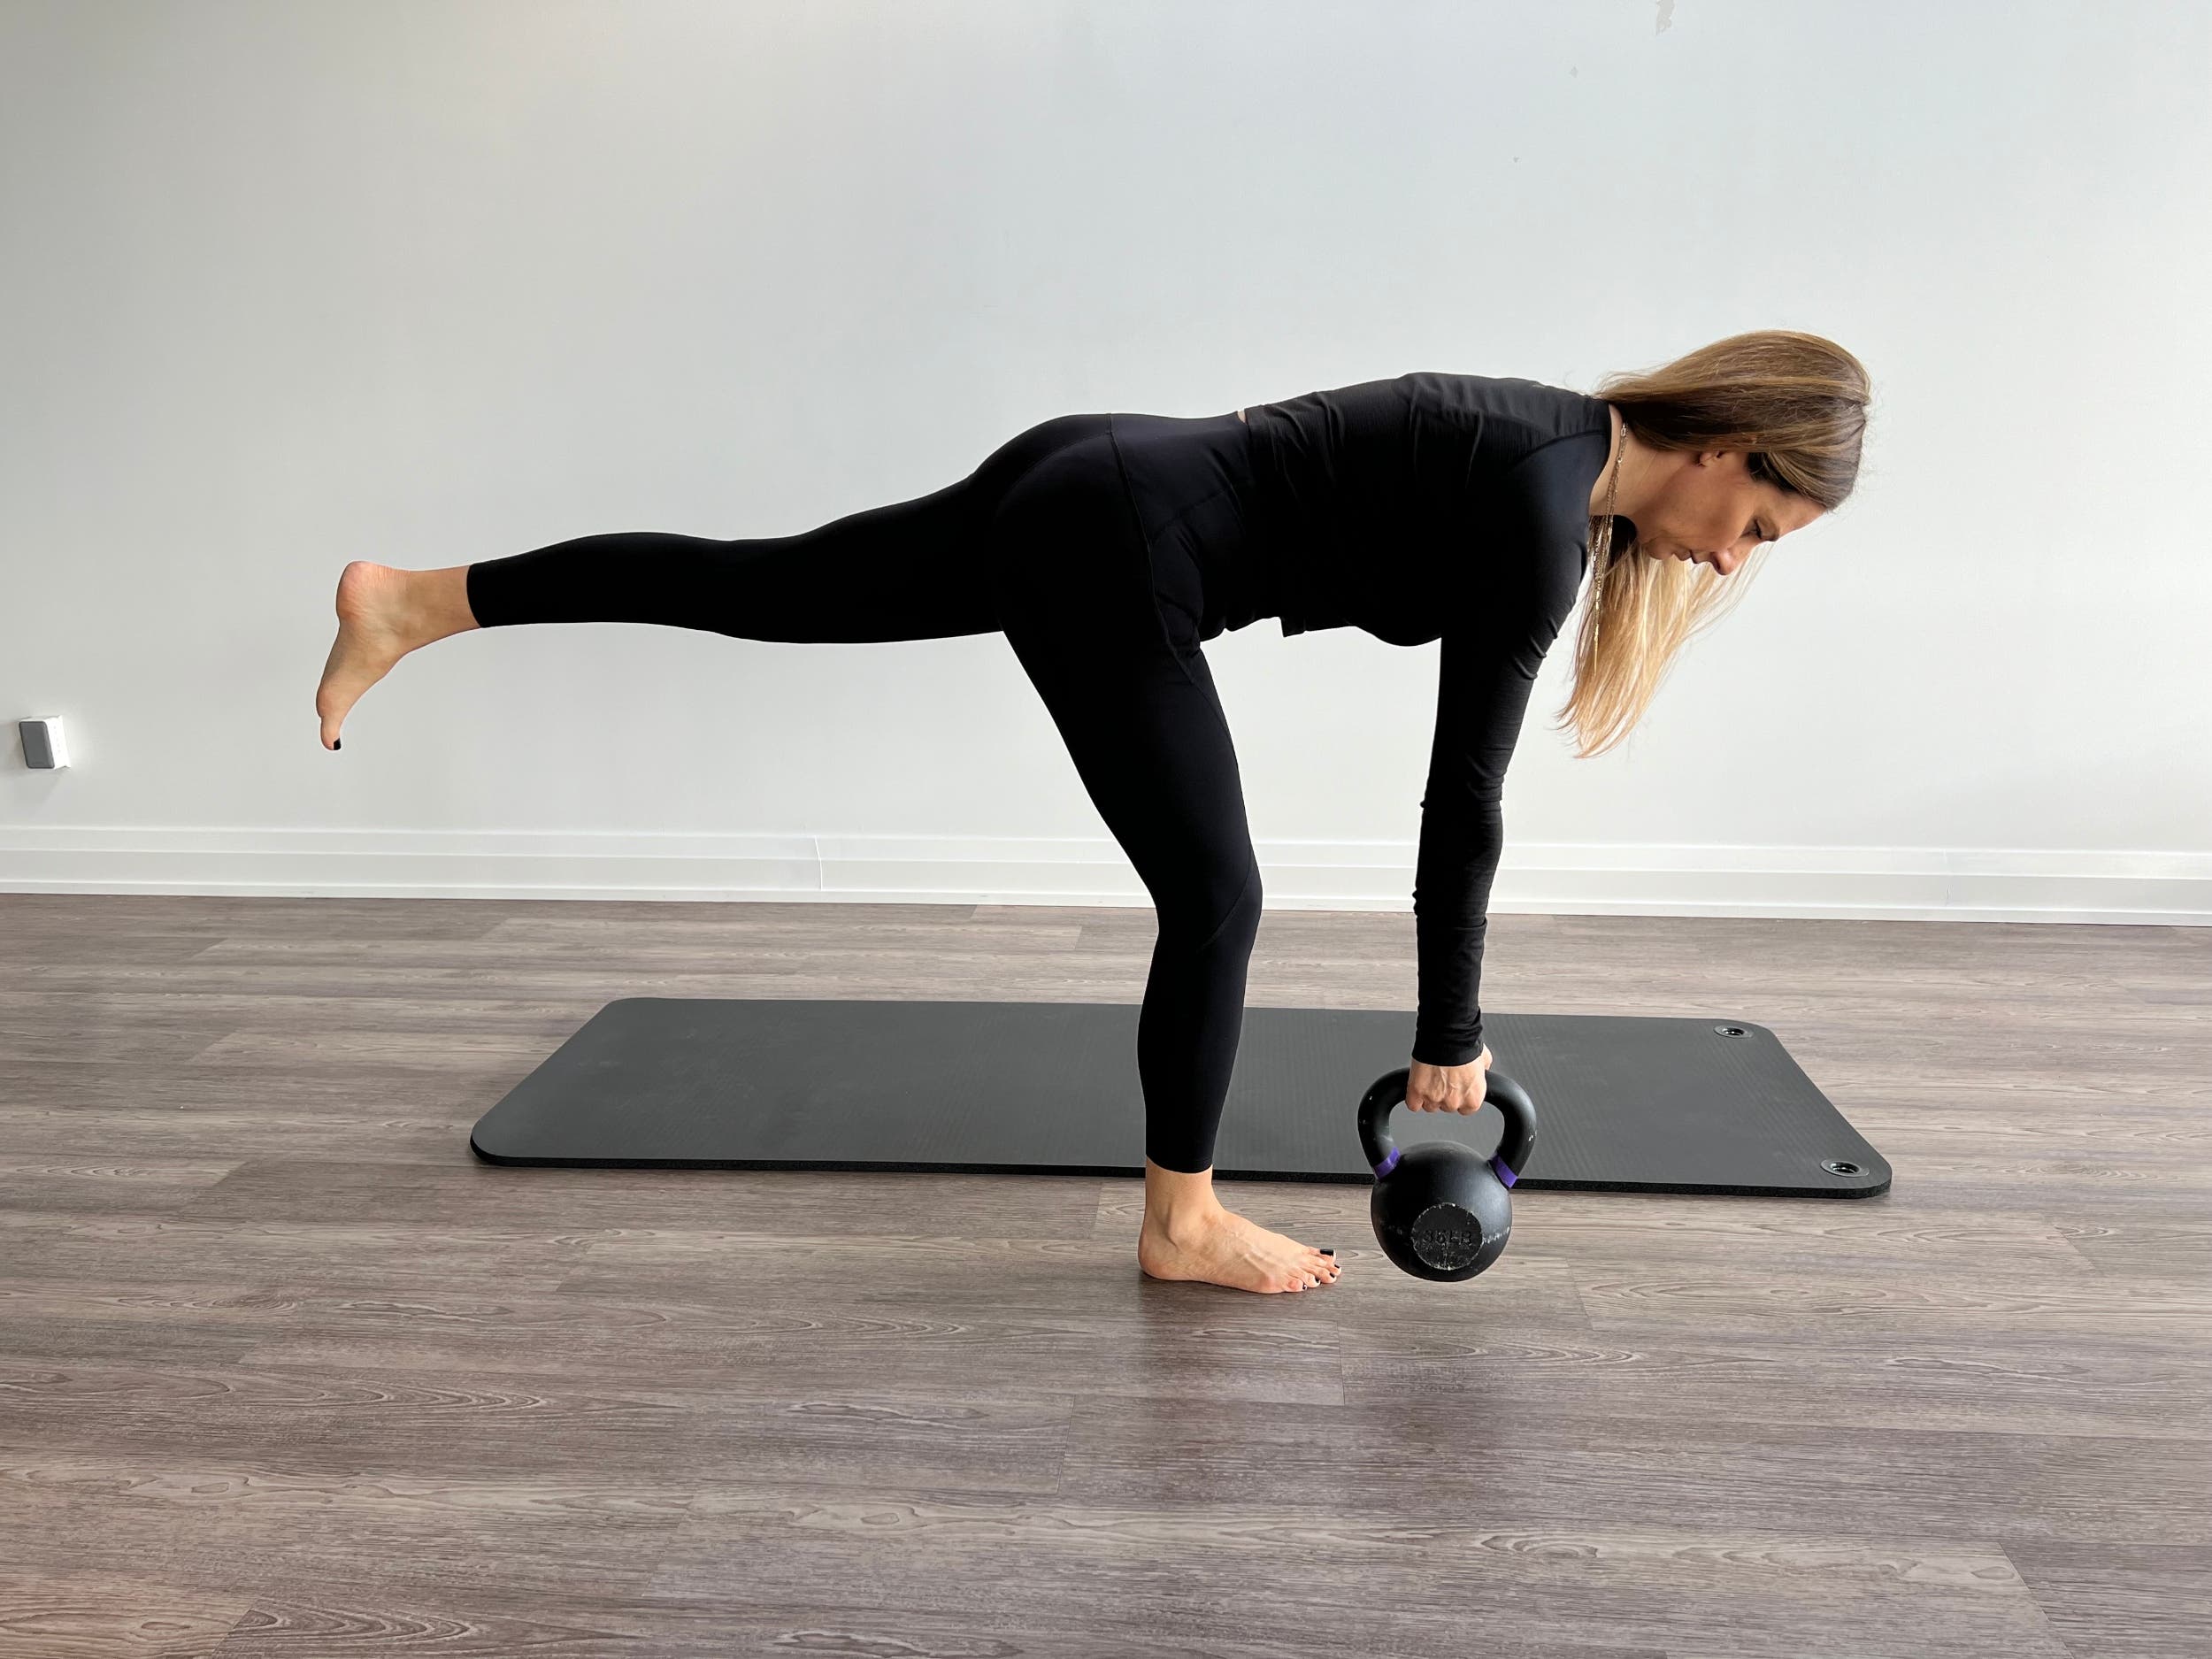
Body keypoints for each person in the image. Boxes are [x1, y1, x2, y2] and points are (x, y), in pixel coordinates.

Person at [315, 328, 1868, 1296]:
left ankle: (418, 601)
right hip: (1123, 539)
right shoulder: (1543, 511)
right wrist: (1449, 1032)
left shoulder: (1547, 457)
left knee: (760, 583)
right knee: (1219, 900)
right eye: (1758, 523)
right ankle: (1180, 1221)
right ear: (1727, 448)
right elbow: (1464, 800)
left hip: (1095, 474)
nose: (1737, 558)